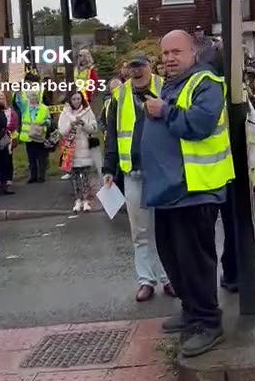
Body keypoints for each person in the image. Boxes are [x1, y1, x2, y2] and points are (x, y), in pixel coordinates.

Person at [141, 29, 235, 357]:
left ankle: (208, 322)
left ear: (193, 52)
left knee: (195, 260)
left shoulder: (205, 83)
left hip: (195, 188)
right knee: (173, 256)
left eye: (176, 52)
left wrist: (163, 112)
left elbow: (200, 123)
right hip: (169, 190)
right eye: (165, 53)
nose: (169, 58)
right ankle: (190, 309)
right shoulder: (171, 84)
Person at [103, 53, 172, 302]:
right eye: (132, 67)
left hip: (161, 171)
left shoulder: (165, 87)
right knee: (139, 232)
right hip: (132, 172)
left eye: (140, 66)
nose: (136, 71)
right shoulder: (119, 95)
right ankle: (146, 280)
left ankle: (169, 278)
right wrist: (109, 169)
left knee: (166, 229)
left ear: (149, 67)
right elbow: (111, 134)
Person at [59, 91, 98, 212]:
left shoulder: (88, 111)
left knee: (85, 177)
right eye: (74, 99)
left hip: (85, 149)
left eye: (78, 99)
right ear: (70, 101)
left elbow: (94, 128)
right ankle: (78, 200)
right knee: (75, 178)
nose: (76, 101)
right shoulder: (65, 113)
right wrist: (71, 124)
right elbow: (62, 131)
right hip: (71, 150)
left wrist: (84, 124)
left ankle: (86, 200)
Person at [20, 90, 52, 184]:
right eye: (30, 96)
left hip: (40, 136)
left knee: (41, 157)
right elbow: (18, 101)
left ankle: (41, 176)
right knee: (31, 158)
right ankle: (33, 176)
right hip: (28, 137)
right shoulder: (25, 108)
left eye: (34, 96)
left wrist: (44, 123)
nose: (32, 98)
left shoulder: (44, 108)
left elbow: (49, 120)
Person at [4, 94, 19, 185]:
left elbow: (13, 125)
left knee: (8, 159)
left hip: (9, 138)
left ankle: (8, 177)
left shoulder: (11, 112)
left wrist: (3, 130)